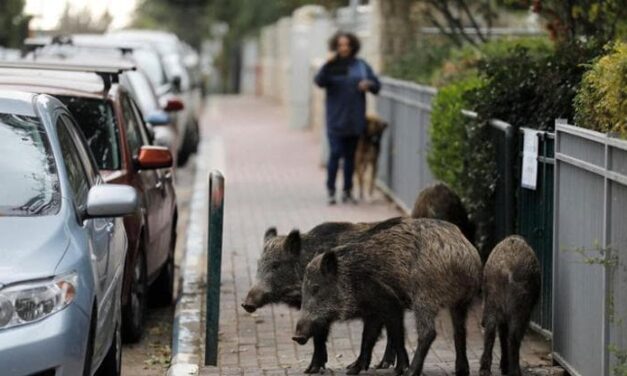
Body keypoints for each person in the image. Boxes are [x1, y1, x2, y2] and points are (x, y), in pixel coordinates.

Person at [314, 31, 381, 205]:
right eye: (340, 45)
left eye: (347, 44)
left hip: (355, 119)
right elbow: (319, 81)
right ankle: (330, 189)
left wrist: (369, 85)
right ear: (335, 46)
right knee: (335, 154)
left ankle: (347, 190)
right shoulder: (331, 66)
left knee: (351, 157)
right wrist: (326, 64)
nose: (344, 48)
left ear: (353, 46)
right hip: (335, 119)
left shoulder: (361, 66)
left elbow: (376, 85)